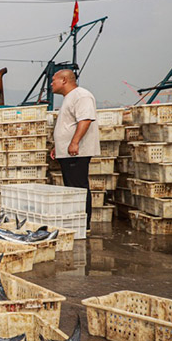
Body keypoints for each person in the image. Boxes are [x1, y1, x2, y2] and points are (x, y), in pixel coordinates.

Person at [51, 69, 99, 229]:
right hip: (67, 152)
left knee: (78, 188)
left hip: (76, 152)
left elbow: (85, 120)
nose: (51, 84)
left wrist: (74, 142)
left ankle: (84, 225)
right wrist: (57, 146)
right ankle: (76, 222)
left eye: (54, 80)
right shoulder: (69, 98)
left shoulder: (81, 95)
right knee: (72, 188)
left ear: (64, 80)